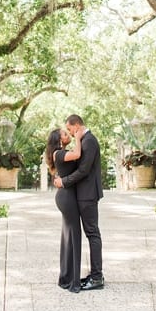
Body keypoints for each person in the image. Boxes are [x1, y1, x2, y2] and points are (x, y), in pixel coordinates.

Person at [53, 114, 104, 291]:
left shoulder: (89, 141)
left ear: (76, 126)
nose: (70, 132)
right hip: (80, 195)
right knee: (89, 233)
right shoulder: (84, 140)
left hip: (88, 195)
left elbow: (83, 171)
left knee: (92, 233)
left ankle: (97, 277)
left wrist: (64, 181)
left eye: (70, 129)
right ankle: (94, 274)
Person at [45, 126, 83, 292]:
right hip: (66, 198)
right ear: (59, 139)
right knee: (74, 237)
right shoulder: (58, 153)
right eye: (65, 134)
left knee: (69, 238)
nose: (69, 135)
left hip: (66, 196)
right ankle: (72, 281)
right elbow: (77, 155)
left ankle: (67, 276)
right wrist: (79, 137)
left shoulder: (60, 153)